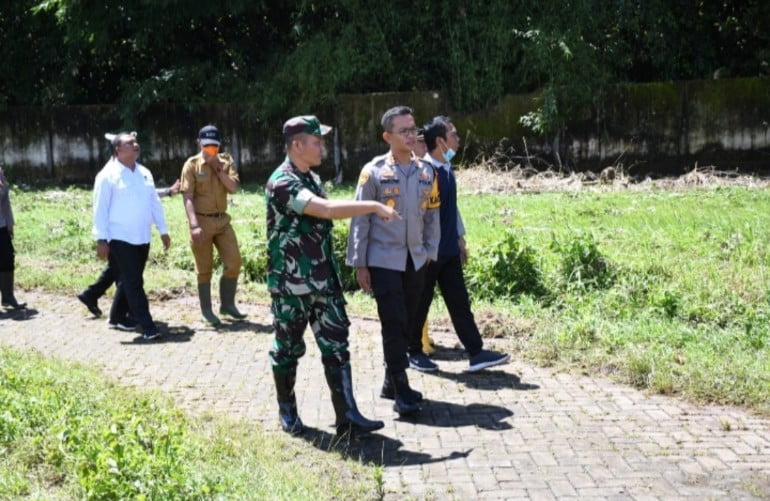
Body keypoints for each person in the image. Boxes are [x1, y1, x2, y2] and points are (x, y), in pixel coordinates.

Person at [266, 115, 399, 436]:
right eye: (316, 141)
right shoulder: (282, 181)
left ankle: (347, 415)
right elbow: (324, 210)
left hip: (323, 281)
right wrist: (373, 206)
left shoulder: (310, 177)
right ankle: (287, 411)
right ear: (297, 145)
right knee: (287, 350)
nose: (322, 147)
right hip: (291, 285)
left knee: (337, 346)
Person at [346, 106, 440, 416]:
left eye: (414, 129)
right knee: (394, 322)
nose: (412, 135)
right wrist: (360, 263)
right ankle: (401, 389)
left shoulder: (427, 171)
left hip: (416, 260)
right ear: (388, 136)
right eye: (405, 130)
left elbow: (433, 217)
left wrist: (430, 253)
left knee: (409, 321)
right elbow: (360, 219)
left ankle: (390, 380)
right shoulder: (372, 172)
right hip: (383, 260)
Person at [415, 116, 510, 371]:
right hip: (428, 253)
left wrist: (459, 238)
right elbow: (417, 214)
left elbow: (450, 210)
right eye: (453, 135)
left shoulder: (446, 169)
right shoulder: (424, 172)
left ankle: (476, 353)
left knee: (459, 302)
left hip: (448, 251)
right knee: (420, 302)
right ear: (440, 141)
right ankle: (413, 352)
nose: (458, 139)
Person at [77, 131, 179, 319]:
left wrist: (162, 228)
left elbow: (149, 197)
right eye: (130, 142)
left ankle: (106, 307)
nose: (135, 144)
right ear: (117, 150)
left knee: (121, 272)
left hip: (141, 236)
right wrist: (101, 238)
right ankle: (142, 321)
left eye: (136, 141)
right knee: (130, 278)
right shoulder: (108, 175)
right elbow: (100, 208)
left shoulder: (143, 172)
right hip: (118, 236)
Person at [180, 125, 245, 326]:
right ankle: (206, 310)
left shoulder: (226, 162)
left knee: (234, 262)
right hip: (201, 222)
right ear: (199, 143)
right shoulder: (191, 165)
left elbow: (233, 188)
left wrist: (217, 167)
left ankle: (227, 305)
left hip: (222, 221)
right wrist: (194, 225)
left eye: (214, 147)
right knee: (204, 268)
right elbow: (188, 197)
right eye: (207, 146)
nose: (210, 150)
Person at [0, 167, 26, 310]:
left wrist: (10, 223)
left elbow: (5, 202)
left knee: (7, 257)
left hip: (2, 224)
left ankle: (7, 297)